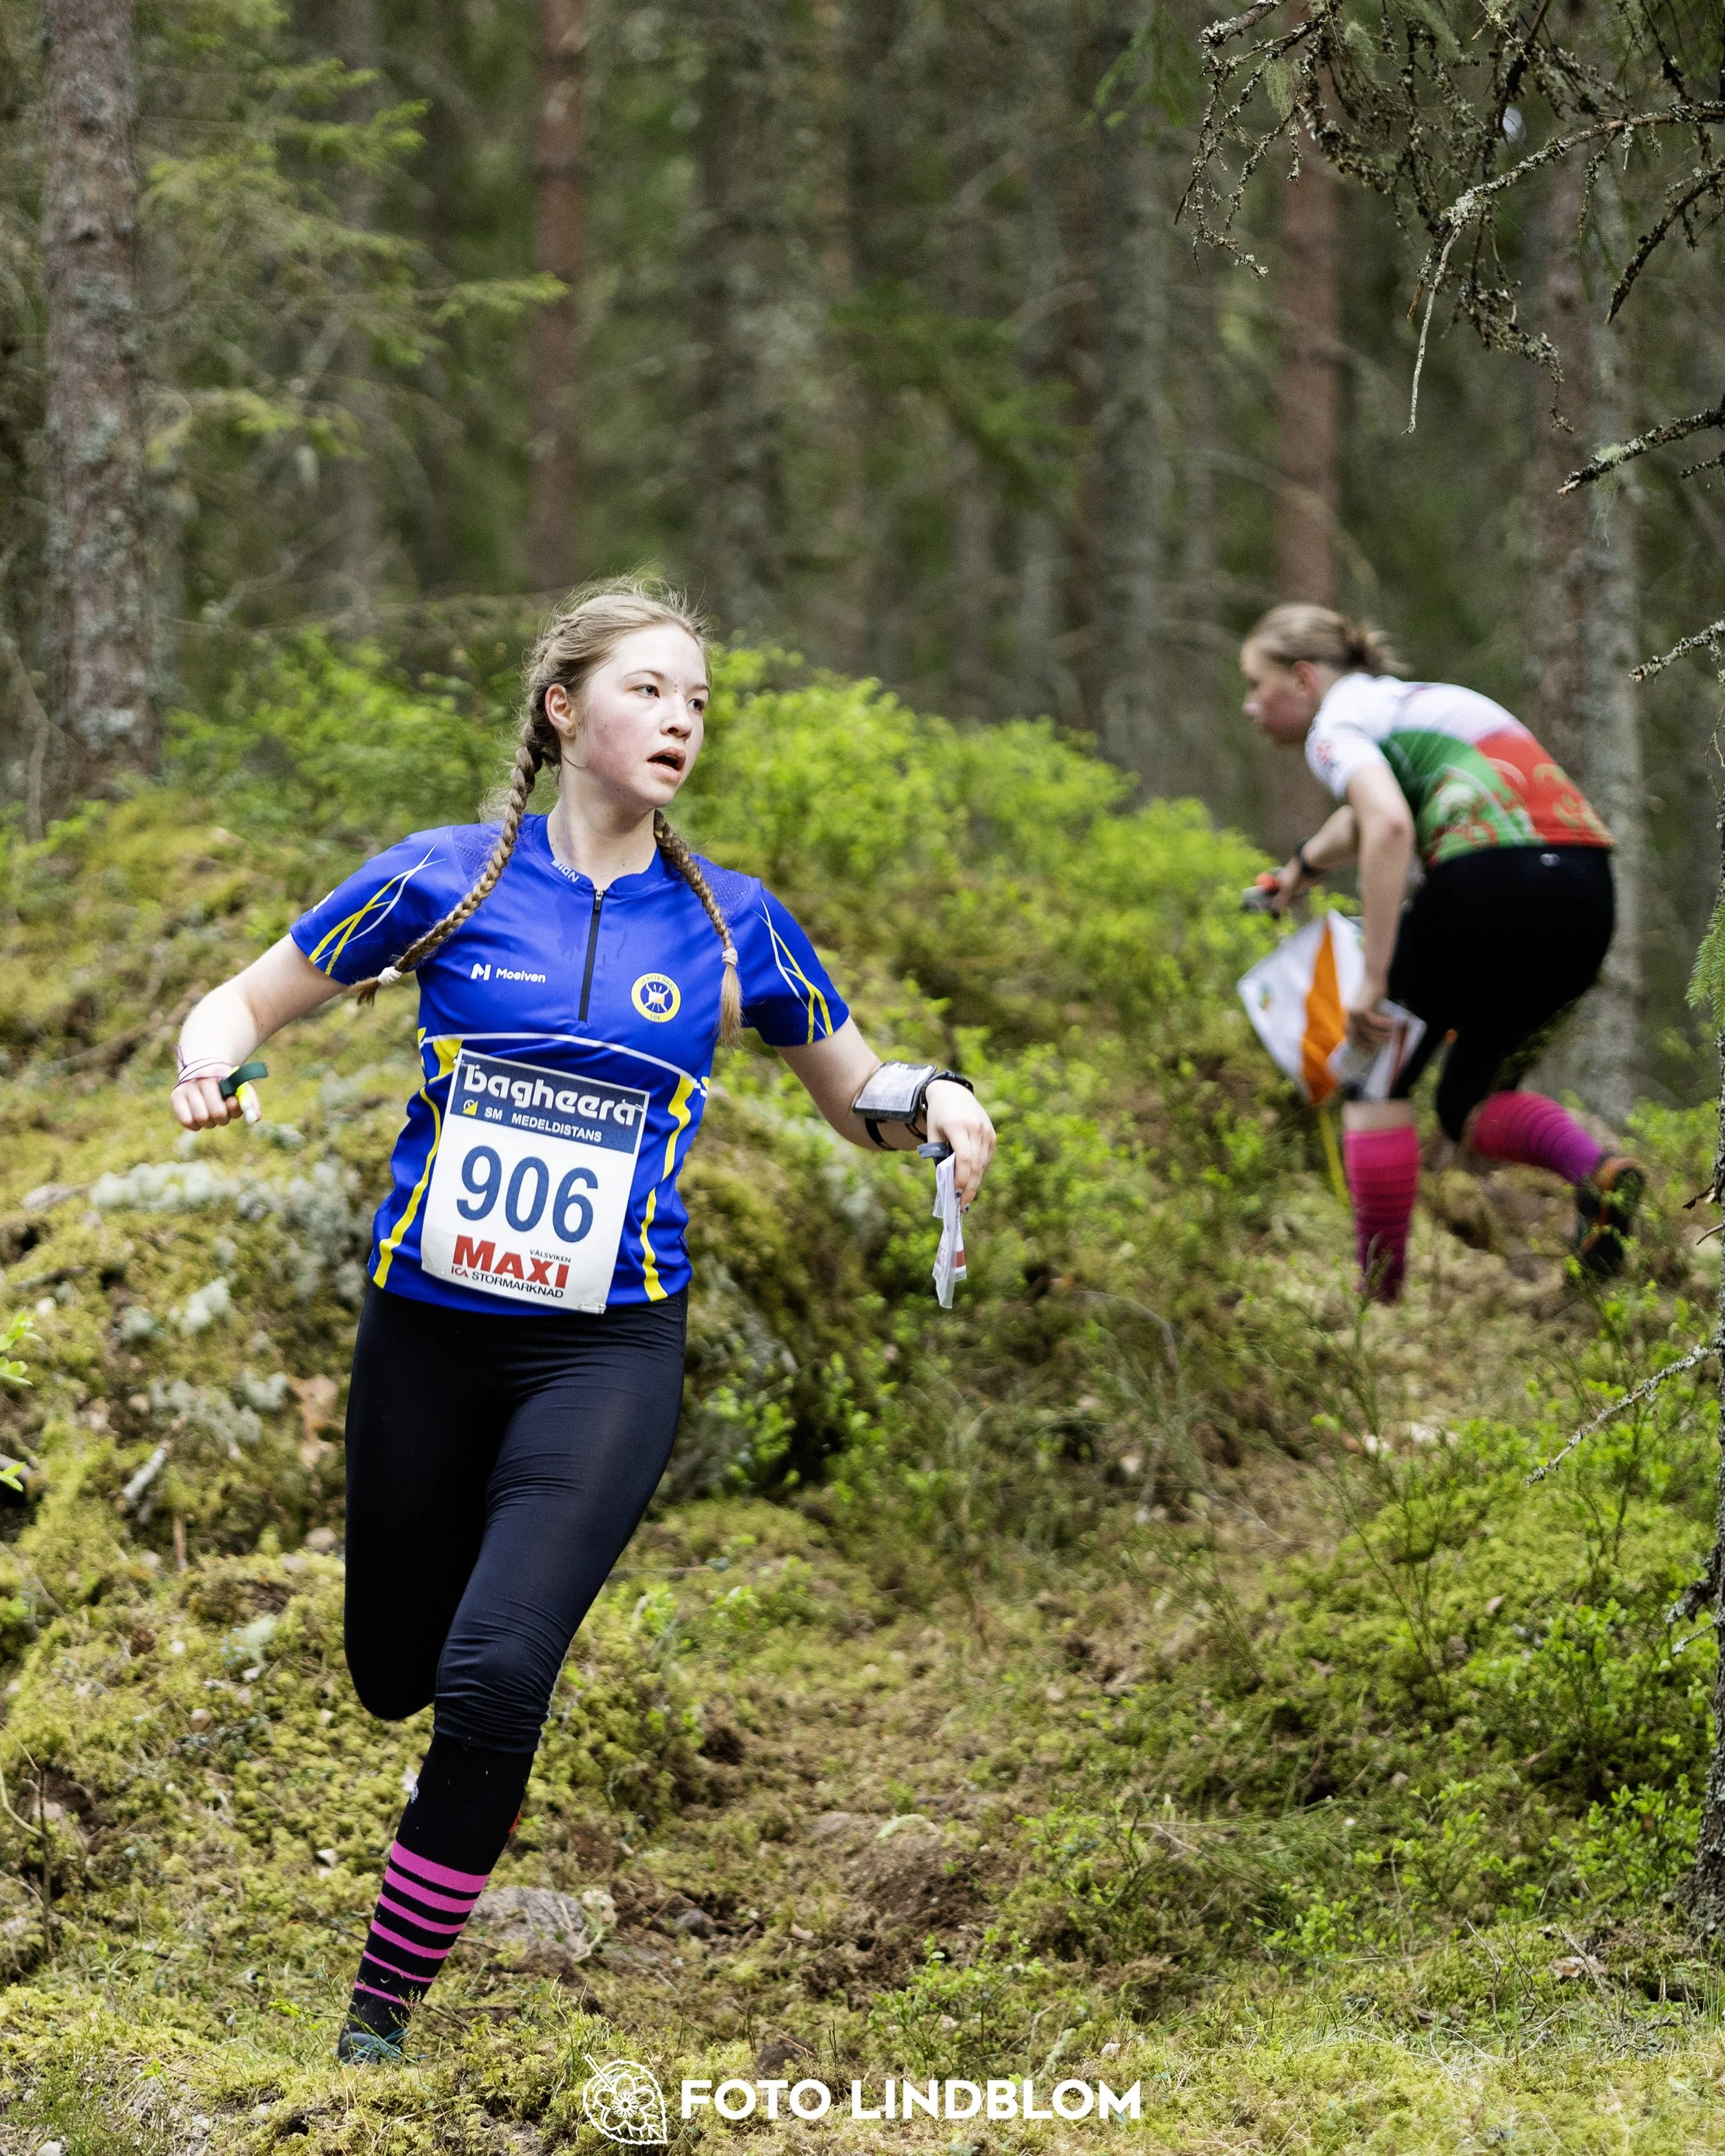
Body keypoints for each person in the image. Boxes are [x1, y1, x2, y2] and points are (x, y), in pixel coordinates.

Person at [170, 580, 996, 2061]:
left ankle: (374, 2022)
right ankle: (419, 1750)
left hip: (603, 1347)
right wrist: (206, 1063)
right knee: (391, 1665)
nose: (680, 717)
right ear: (563, 709)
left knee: (493, 1671)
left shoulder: (732, 919)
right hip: (425, 1333)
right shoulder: (445, 880)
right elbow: (241, 1001)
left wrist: (930, 1099)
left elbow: (856, 1090)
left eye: (697, 699)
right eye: (648, 689)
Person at [1241, 601, 1641, 1303]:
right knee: (1468, 1102)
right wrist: (1299, 869)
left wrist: (1371, 979)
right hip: (1585, 891)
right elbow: (1369, 810)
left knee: (1372, 1080)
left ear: (1302, 678)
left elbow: (1388, 823)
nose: (1250, 706)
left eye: (1255, 685)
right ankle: (1600, 1172)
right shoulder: (1411, 704)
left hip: (1487, 877)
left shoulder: (1334, 725)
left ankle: (1380, 1301)